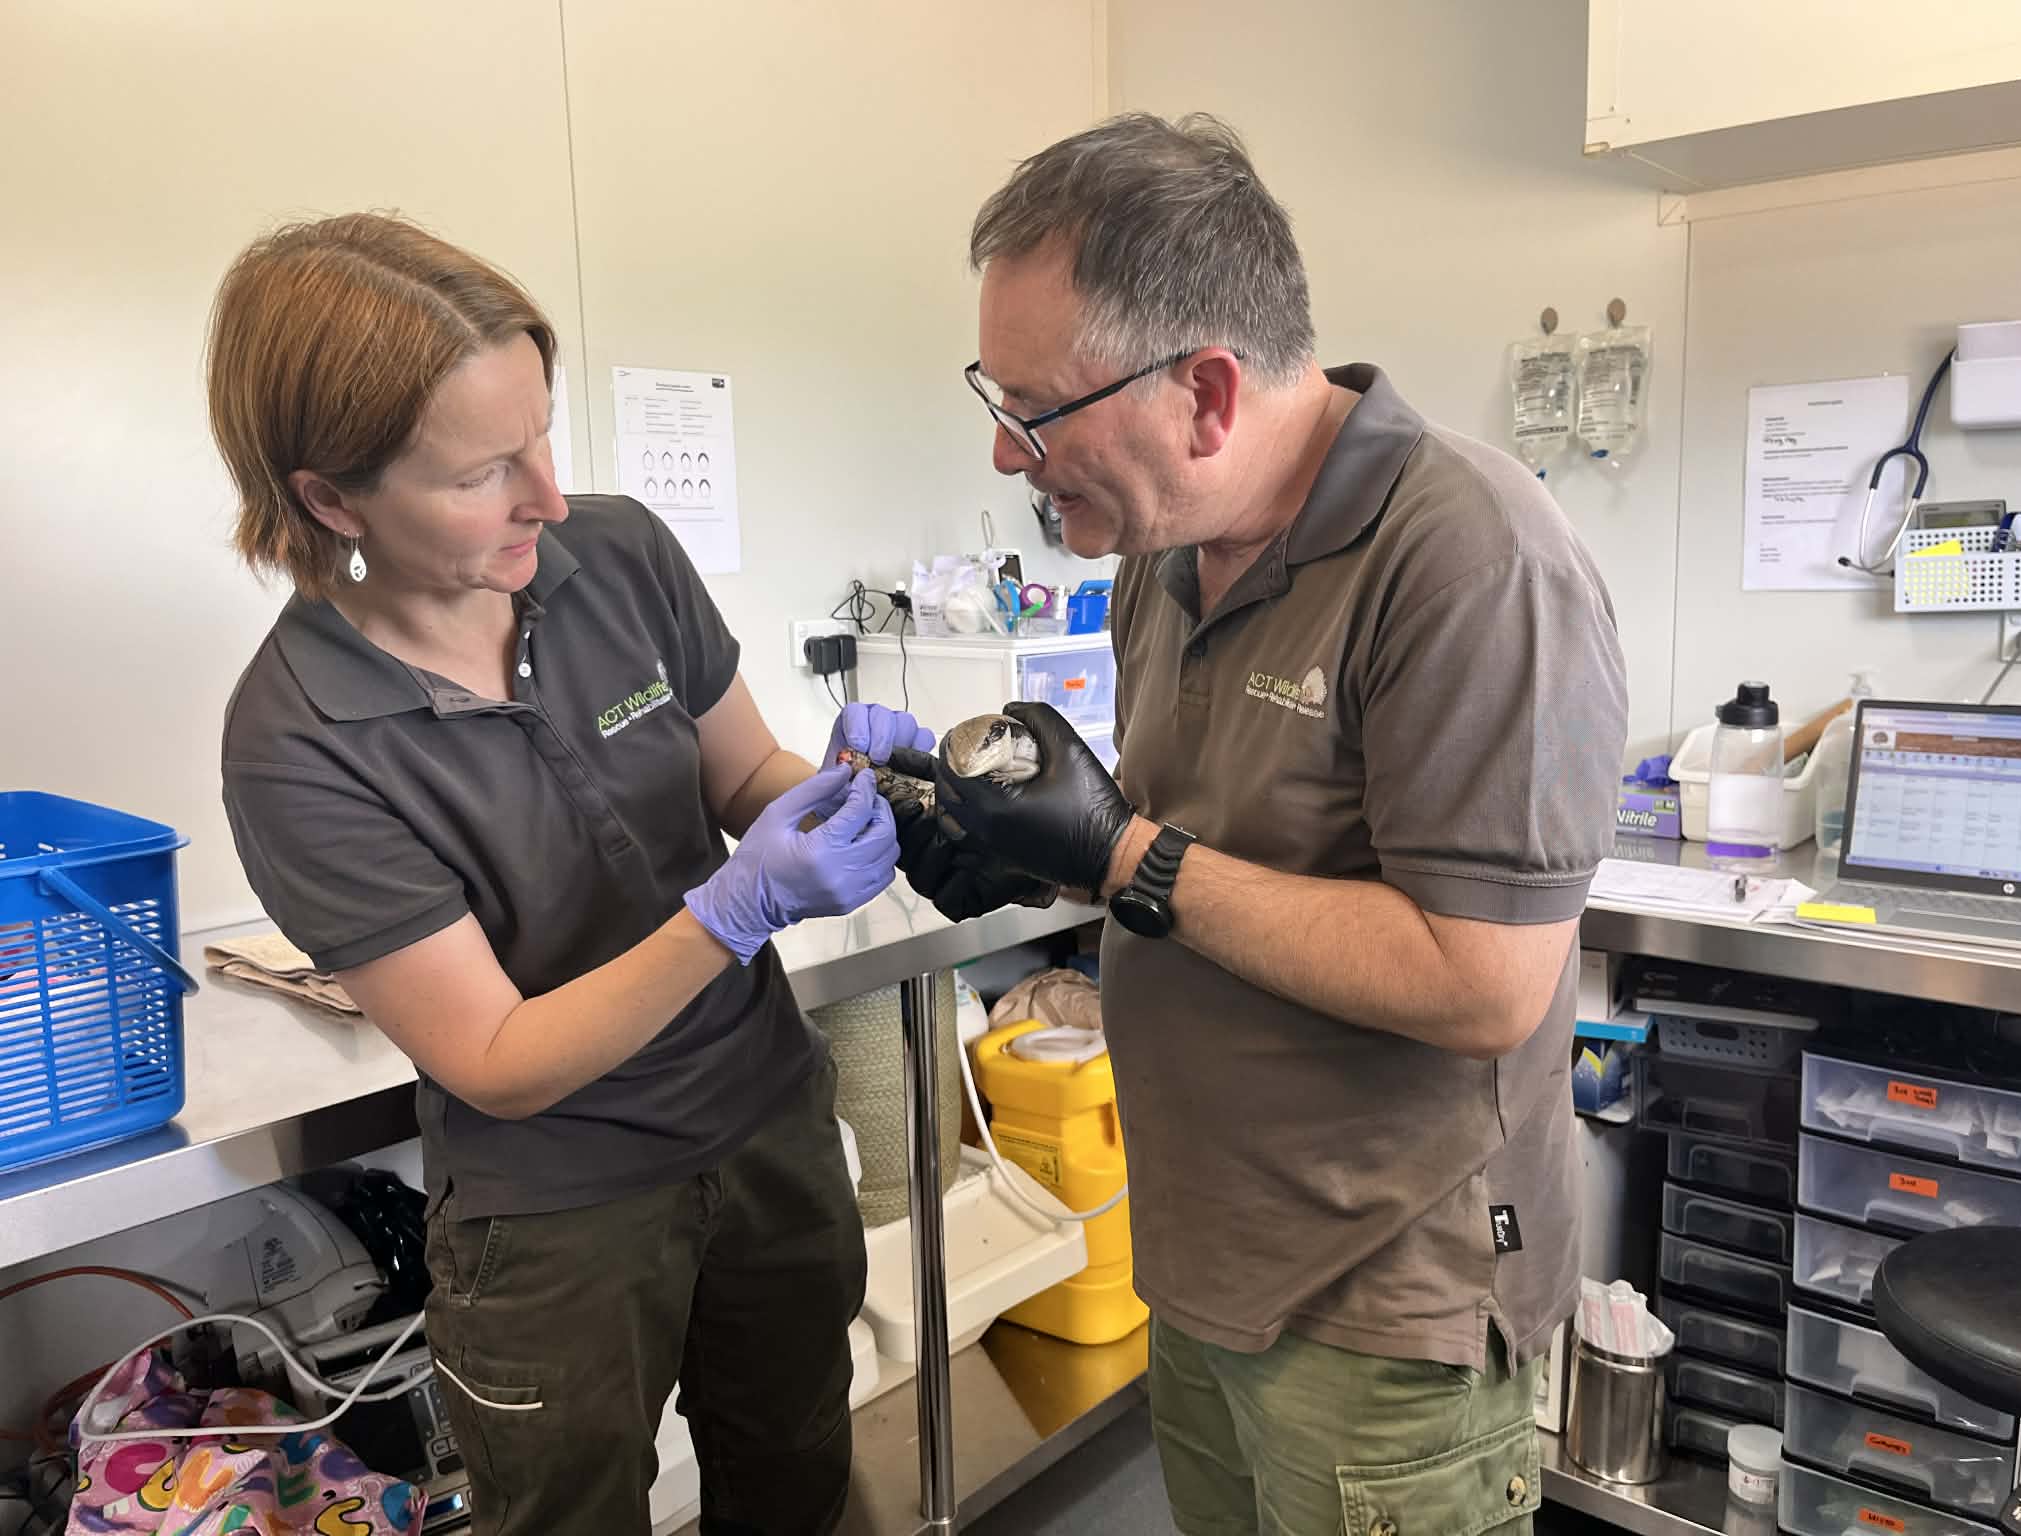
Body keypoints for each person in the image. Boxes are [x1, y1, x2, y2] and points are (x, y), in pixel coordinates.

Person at [917, 115, 1629, 1535]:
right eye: (995, 399)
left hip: (1379, 1303)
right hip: (1206, 1257)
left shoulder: (1470, 556)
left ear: (1207, 393)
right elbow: (1216, 863)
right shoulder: (1159, 553)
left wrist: (1123, 854)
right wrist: (1028, 855)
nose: (1009, 455)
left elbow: (1482, 980)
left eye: (1038, 411)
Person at [208, 213, 928, 1536]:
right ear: (330, 498)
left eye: (543, 435)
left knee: (795, 1470)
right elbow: (495, 1056)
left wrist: (844, 789)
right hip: (560, 1211)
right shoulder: (297, 739)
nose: (545, 491)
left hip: (761, 1117)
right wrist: (737, 906)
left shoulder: (620, 556)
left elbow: (742, 778)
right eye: (488, 471)